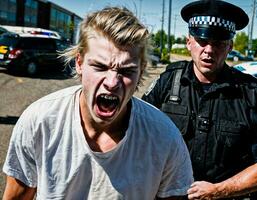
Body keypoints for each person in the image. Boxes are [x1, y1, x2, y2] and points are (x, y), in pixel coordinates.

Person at [2, 6, 193, 200]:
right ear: (79, 63)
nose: (112, 83)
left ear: (141, 72)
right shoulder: (39, 121)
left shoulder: (164, 138)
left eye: (126, 71)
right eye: (100, 67)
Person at [142, 0, 257, 199]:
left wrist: (219, 190)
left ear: (230, 46)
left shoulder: (250, 93)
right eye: (202, 41)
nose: (209, 50)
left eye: (218, 43)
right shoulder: (168, 82)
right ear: (189, 43)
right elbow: (135, 133)